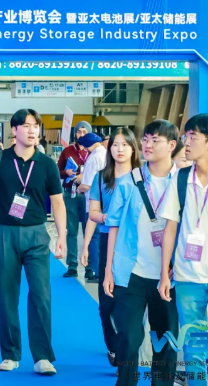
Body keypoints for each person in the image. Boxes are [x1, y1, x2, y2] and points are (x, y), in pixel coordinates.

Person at [0, 109, 67, 375]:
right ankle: (10, 354)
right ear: (14, 130)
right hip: (5, 233)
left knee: (41, 295)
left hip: (37, 234)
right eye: (26, 125)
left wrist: (62, 236)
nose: (32, 130)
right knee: (7, 295)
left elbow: (58, 202)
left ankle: (43, 356)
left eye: (35, 126)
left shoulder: (47, 163)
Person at [104, 120, 180, 386]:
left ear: (171, 145)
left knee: (165, 340)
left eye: (155, 140)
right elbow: (113, 225)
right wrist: (108, 270)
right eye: (145, 139)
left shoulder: (182, 182)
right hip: (131, 272)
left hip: (168, 276)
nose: (147, 145)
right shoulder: (129, 181)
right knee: (128, 337)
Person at [159, 113, 208, 385]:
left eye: (192, 136)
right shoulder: (181, 178)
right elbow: (170, 227)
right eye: (185, 136)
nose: (186, 142)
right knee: (194, 351)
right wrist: (164, 274)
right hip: (187, 278)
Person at [80, 128, 141, 368]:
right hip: (108, 241)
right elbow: (92, 213)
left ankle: (127, 355)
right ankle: (113, 346)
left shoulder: (142, 177)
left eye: (125, 144)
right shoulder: (102, 177)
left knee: (131, 303)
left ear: (134, 148)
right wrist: (107, 220)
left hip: (137, 245)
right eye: (115, 144)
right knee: (106, 303)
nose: (120, 149)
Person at [57, 121, 92, 278]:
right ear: (75, 133)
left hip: (89, 195)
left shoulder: (93, 152)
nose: (82, 134)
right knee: (71, 230)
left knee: (88, 231)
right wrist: (66, 172)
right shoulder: (67, 151)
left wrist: (85, 176)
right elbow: (57, 171)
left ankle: (89, 266)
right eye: (79, 132)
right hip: (70, 193)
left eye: (85, 132)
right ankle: (72, 265)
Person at [77, 133, 107, 282]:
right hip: (106, 203)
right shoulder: (107, 155)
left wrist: (78, 188)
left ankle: (97, 271)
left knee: (93, 238)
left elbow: (87, 184)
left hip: (93, 204)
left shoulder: (92, 158)